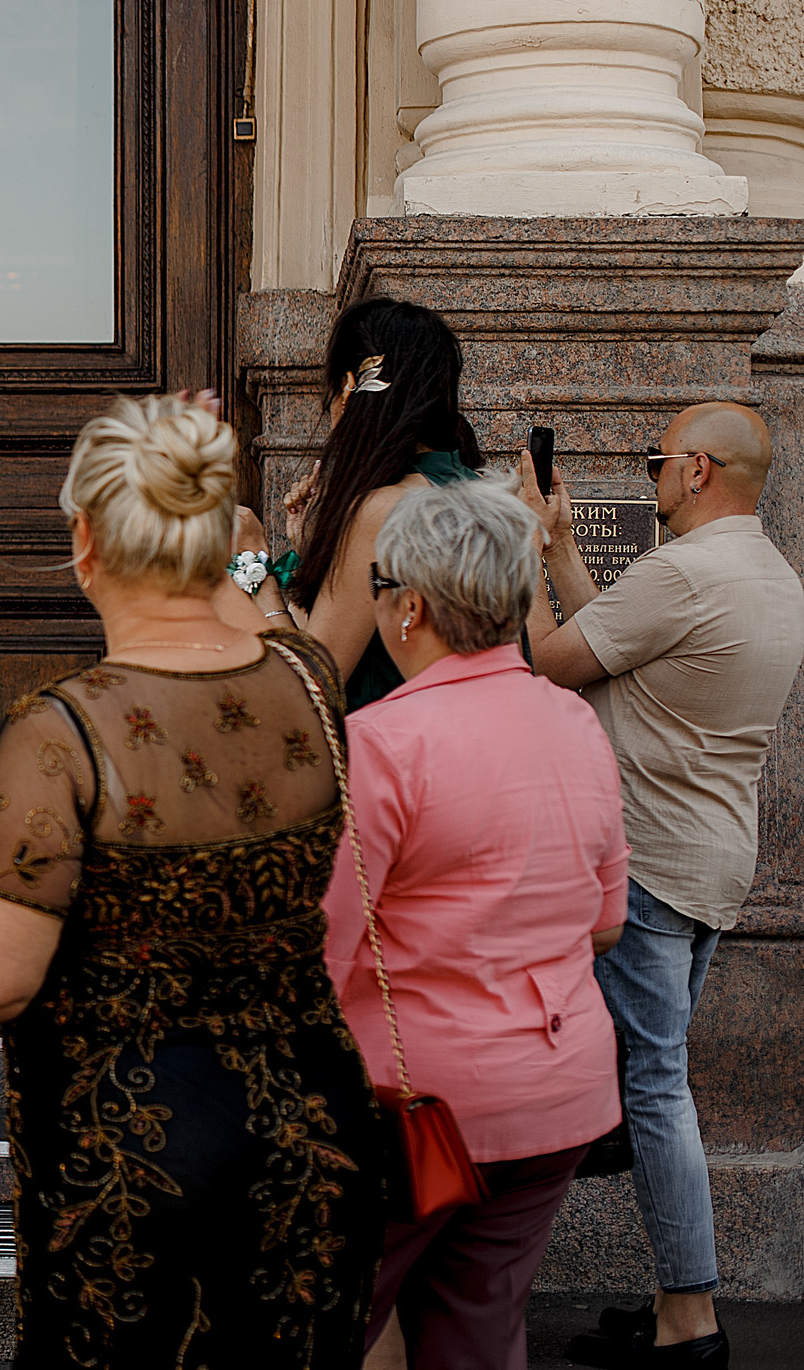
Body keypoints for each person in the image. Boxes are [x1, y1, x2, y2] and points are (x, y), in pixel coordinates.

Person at [0, 394, 386, 1369]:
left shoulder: (63, 731)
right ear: (214, 539)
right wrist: (222, 521)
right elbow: (245, 611)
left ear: (85, 542)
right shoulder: (308, 679)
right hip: (314, 1129)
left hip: (138, 1153)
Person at [521, 403, 804, 1369]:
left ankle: (690, 1316)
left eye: (655, 461)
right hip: (714, 858)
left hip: (648, 863)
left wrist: (526, 553)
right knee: (655, 1076)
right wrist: (565, 546)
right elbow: (617, 637)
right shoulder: (771, 576)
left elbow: (556, 660)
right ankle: (672, 1299)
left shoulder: (682, 573)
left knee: (652, 1084)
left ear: (698, 469)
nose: (650, 478)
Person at [324, 477, 630, 1370]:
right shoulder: (573, 721)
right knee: (480, 1326)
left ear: (410, 606)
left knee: (321, 1321)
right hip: (559, 1088)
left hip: (415, 1099)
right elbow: (605, 922)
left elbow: (321, 948)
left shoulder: (381, 740)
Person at [233, 297, 484, 709]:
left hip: (395, 741)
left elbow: (308, 688)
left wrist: (252, 564)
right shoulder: (490, 496)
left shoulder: (382, 511)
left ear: (350, 388)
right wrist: (316, 550)